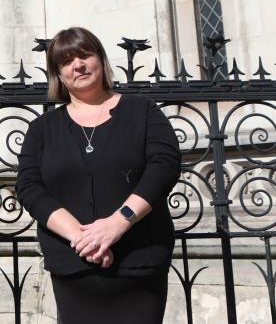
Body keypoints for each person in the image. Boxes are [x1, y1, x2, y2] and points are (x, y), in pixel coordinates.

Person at [16, 27, 181, 323]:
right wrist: (84, 239)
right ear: (58, 74)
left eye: (84, 55)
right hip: (74, 267)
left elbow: (164, 166)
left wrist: (117, 224)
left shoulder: (142, 111)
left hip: (138, 262)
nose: (77, 65)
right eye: (66, 61)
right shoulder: (42, 129)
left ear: (100, 60)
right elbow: (29, 188)